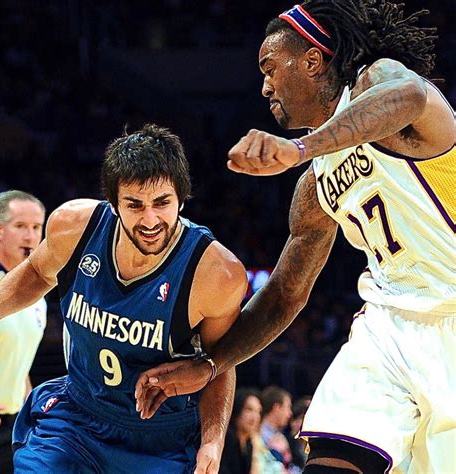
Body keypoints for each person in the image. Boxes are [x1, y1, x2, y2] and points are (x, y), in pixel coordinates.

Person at [136, 2, 455, 473]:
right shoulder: (315, 182)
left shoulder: (378, 80)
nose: (264, 87)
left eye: (270, 68)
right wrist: (211, 363)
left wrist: (299, 148)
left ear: (312, 60)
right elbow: (286, 292)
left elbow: (410, 96)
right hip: (388, 326)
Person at [0, 124, 248, 473]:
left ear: (182, 199)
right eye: (134, 205)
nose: (150, 220)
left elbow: (221, 362)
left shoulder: (216, 273)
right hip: (77, 419)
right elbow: (37, 273)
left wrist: (213, 440)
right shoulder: (74, 227)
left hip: (160, 439)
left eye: (162, 203)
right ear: (113, 203)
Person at [0, 190, 47, 474]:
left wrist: (29, 404)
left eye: (36, 227)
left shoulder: (38, 291)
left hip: (11, 428)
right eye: (20, 226)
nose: (30, 236)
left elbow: (19, 357)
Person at [260, 386, 295, 472]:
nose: (290, 413)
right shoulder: (259, 434)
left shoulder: (279, 435)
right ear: (277, 408)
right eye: (288, 407)